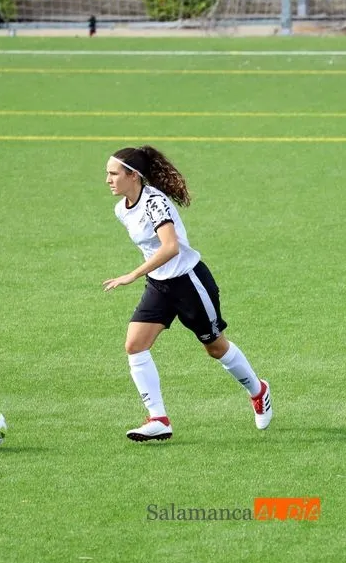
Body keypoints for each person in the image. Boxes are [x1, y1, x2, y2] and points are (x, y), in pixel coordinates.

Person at [102, 145, 273, 442]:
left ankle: (259, 391)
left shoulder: (155, 202)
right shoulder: (121, 209)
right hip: (159, 286)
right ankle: (158, 419)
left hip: (189, 282)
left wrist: (132, 274)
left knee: (215, 348)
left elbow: (171, 247)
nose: (108, 179)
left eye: (113, 173)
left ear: (134, 176)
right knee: (134, 345)